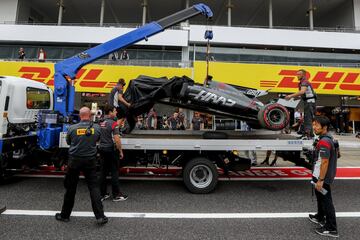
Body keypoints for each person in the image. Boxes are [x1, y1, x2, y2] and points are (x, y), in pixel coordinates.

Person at [56, 107, 108, 225]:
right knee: (94, 188)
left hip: (74, 161)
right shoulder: (96, 128)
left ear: (80, 116)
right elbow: (98, 140)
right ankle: (100, 216)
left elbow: (69, 142)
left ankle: (65, 215)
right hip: (90, 161)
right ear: (90, 116)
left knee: (71, 188)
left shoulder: (72, 128)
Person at [309, 115, 338, 238]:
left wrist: (320, 180)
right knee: (320, 197)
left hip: (323, 176)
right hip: (319, 174)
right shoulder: (330, 139)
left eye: (316, 125)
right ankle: (320, 216)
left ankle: (331, 228)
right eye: (313, 124)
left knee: (326, 200)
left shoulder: (324, 141)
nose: (314, 127)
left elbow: (325, 162)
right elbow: (338, 154)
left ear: (324, 127)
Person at [98, 105, 128, 202]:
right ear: (110, 112)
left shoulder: (101, 122)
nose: (116, 113)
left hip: (102, 149)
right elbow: (117, 139)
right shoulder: (114, 124)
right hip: (111, 150)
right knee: (114, 172)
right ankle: (116, 195)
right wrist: (120, 150)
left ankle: (102, 194)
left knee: (103, 172)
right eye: (115, 111)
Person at [285, 69, 317, 139]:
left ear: (303, 75)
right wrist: (295, 98)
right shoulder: (302, 82)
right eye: (297, 74)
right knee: (306, 118)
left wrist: (290, 96)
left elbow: (302, 92)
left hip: (309, 102)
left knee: (308, 118)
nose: (297, 76)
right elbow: (303, 94)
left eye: (299, 74)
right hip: (308, 102)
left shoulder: (304, 82)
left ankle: (307, 135)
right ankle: (308, 134)